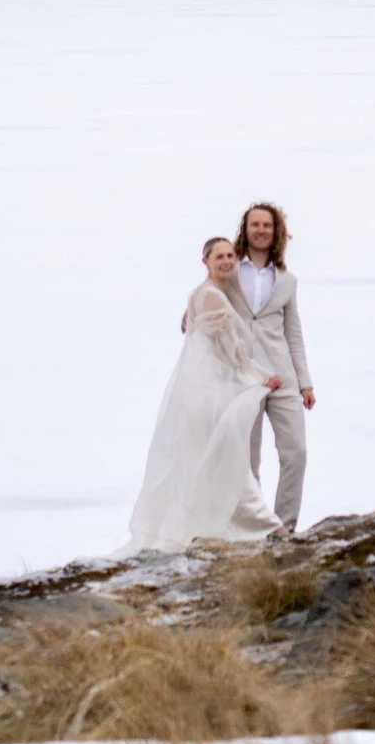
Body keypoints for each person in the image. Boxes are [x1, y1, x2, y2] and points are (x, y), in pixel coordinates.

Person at [128, 236, 279, 549]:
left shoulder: (200, 294)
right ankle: (267, 526)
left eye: (230, 256)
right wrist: (259, 376)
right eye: (219, 257)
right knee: (227, 457)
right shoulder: (211, 297)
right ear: (206, 261)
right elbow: (228, 349)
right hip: (208, 395)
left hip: (200, 391)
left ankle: (212, 528)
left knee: (207, 460)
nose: (226, 261)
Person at [233, 200, 314, 535]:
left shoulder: (287, 280)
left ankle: (286, 528)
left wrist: (305, 383)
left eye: (267, 225)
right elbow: (208, 299)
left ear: (276, 231)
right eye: (255, 225)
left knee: (296, 453)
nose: (261, 230)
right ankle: (256, 529)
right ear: (246, 230)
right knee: (248, 462)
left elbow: (293, 333)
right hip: (244, 379)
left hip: (284, 378)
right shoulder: (231, 271)